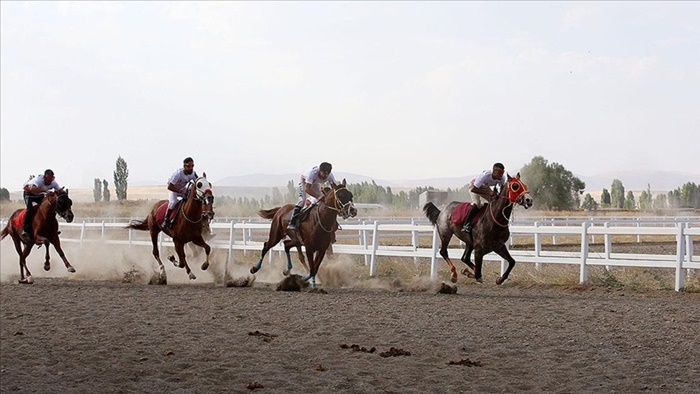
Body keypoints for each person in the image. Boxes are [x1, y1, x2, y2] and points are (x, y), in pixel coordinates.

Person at [287, 162, 336, 231]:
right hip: (304, 181)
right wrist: (318, 196)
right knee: (302, 200)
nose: (325, 176)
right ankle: (292, 222)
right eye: (324, 173)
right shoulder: (312, 173)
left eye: (327, 174)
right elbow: (307, 189)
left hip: (315, 183)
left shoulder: (330, 176)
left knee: (320, 202)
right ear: (320, 171)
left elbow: (335, 189)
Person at [462, 162, 506, 234]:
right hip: (474, 187)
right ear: (494, 172)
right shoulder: (485, 175)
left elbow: (501, 191)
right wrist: (489, 193)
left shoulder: (502, 178)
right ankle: (466, 225)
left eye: (502, 173)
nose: (501, 175)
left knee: (494, 202)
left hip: (485, 187)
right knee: (477, 203)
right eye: (500, 173)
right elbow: (474, 189)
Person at [22, 169, 63, 241]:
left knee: (49, 208)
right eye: (48, 180)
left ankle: (53, 229)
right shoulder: (38, 180)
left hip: (39, 194)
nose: (49, 182)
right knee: (30, 210)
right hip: (29, 194)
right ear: (45, 178)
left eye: (51, 180)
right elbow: (33, 189)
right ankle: (25, 230)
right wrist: (46, 191)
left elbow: (59, 190)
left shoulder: (53, 183)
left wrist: (63, 193)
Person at [162, 157, 197, 228]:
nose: (191, 168)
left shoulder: (193, 173)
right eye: (189, 166)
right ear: (184, 166)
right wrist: (181, 191)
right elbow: (169, 187)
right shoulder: (178, 174)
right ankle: (166, 219)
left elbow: (197, 183)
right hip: (174, 190)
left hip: (183, 189)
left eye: (192, 166)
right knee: (173, 202)